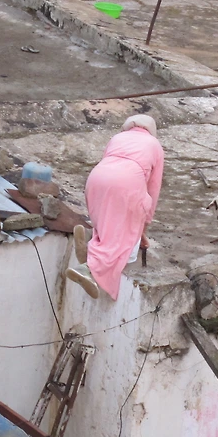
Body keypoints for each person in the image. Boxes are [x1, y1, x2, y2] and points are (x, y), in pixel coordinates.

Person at [66, 114, 164, 300]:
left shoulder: (117, 138)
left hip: (97, 179)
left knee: (108, 225)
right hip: (128, 182)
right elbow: (153, 188)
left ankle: (91, 244)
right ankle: (88, 268)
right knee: (127, 245)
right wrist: (144, 225)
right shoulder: (154, 145)